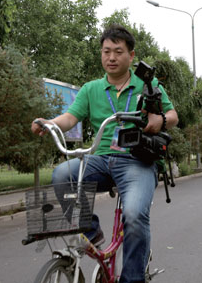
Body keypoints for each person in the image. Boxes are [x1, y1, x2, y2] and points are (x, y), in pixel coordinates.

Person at [31, 23, 178, 283]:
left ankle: (132, 278)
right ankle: (92, 230)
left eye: (118, 52)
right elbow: (69, 118)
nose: (111, 57)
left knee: (134, 214)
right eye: (106, 51)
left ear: (131, 56)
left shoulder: (148, 84)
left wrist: (161, 122)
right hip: (100, 160)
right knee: (61, 175)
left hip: (136, 161)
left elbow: (173, 115)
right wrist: (49, 123)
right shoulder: (91, 89)